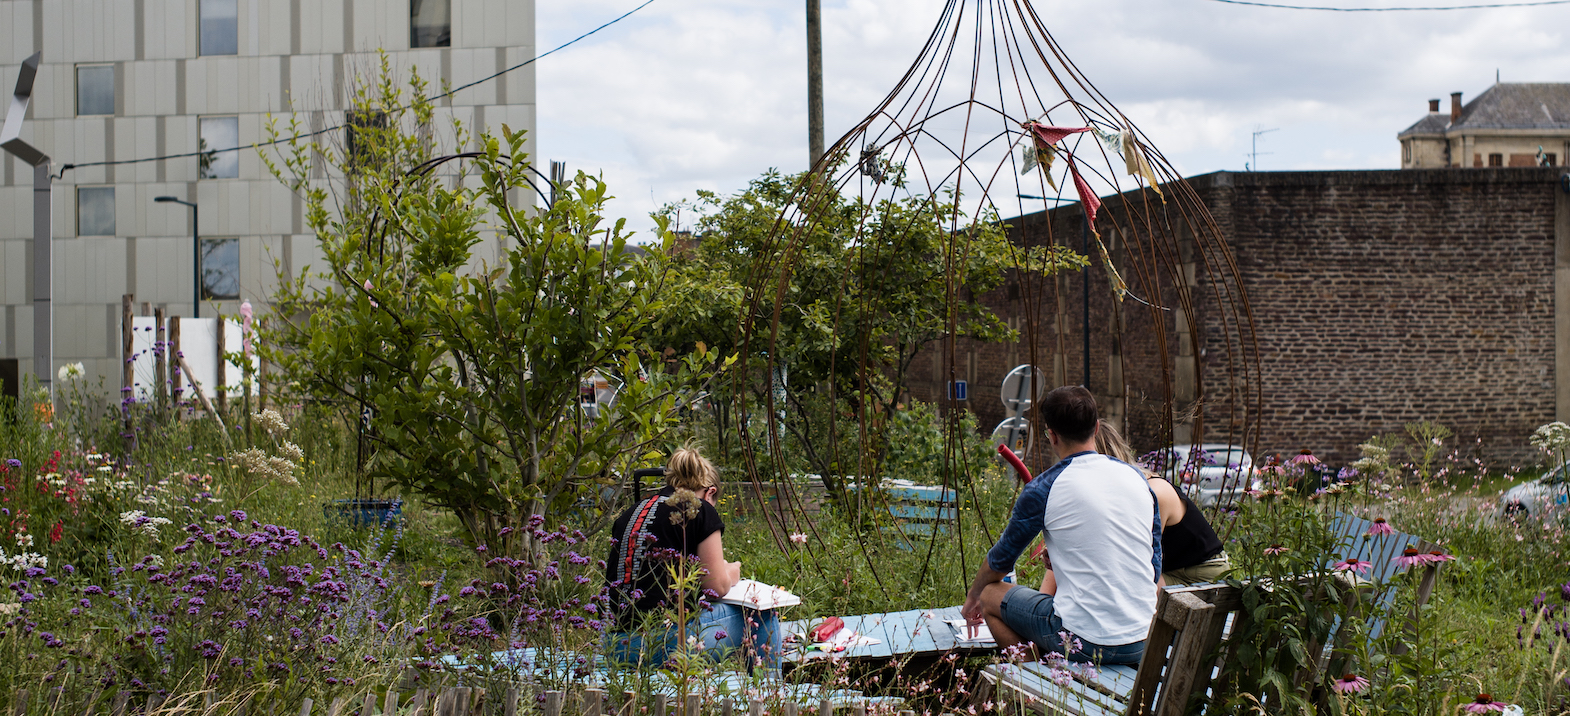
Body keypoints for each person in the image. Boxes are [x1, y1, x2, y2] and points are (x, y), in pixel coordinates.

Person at [962, 386, 1162, 665]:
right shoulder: (1138, 480)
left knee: (990, 594)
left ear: (1052, 436)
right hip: (1143, 639)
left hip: (1084, 642)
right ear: (1096, 427)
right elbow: (1153, 564)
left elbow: (1001, 561)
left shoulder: (1045, 487)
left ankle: (1037, 676)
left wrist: (972, 597)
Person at [603, 447, 782, 669]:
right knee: (763, 615)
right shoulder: (702, 509)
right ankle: (768, 695)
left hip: (615, 646)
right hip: (666, 643)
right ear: (710, 493)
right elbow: (715, 587)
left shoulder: (631, 512)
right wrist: (731, 572)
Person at [1097, 422, 1229, 586]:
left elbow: (1137, 558)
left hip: (1202, 573)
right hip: (1172, 570)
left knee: (1135, 585)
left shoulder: (1153, 492)